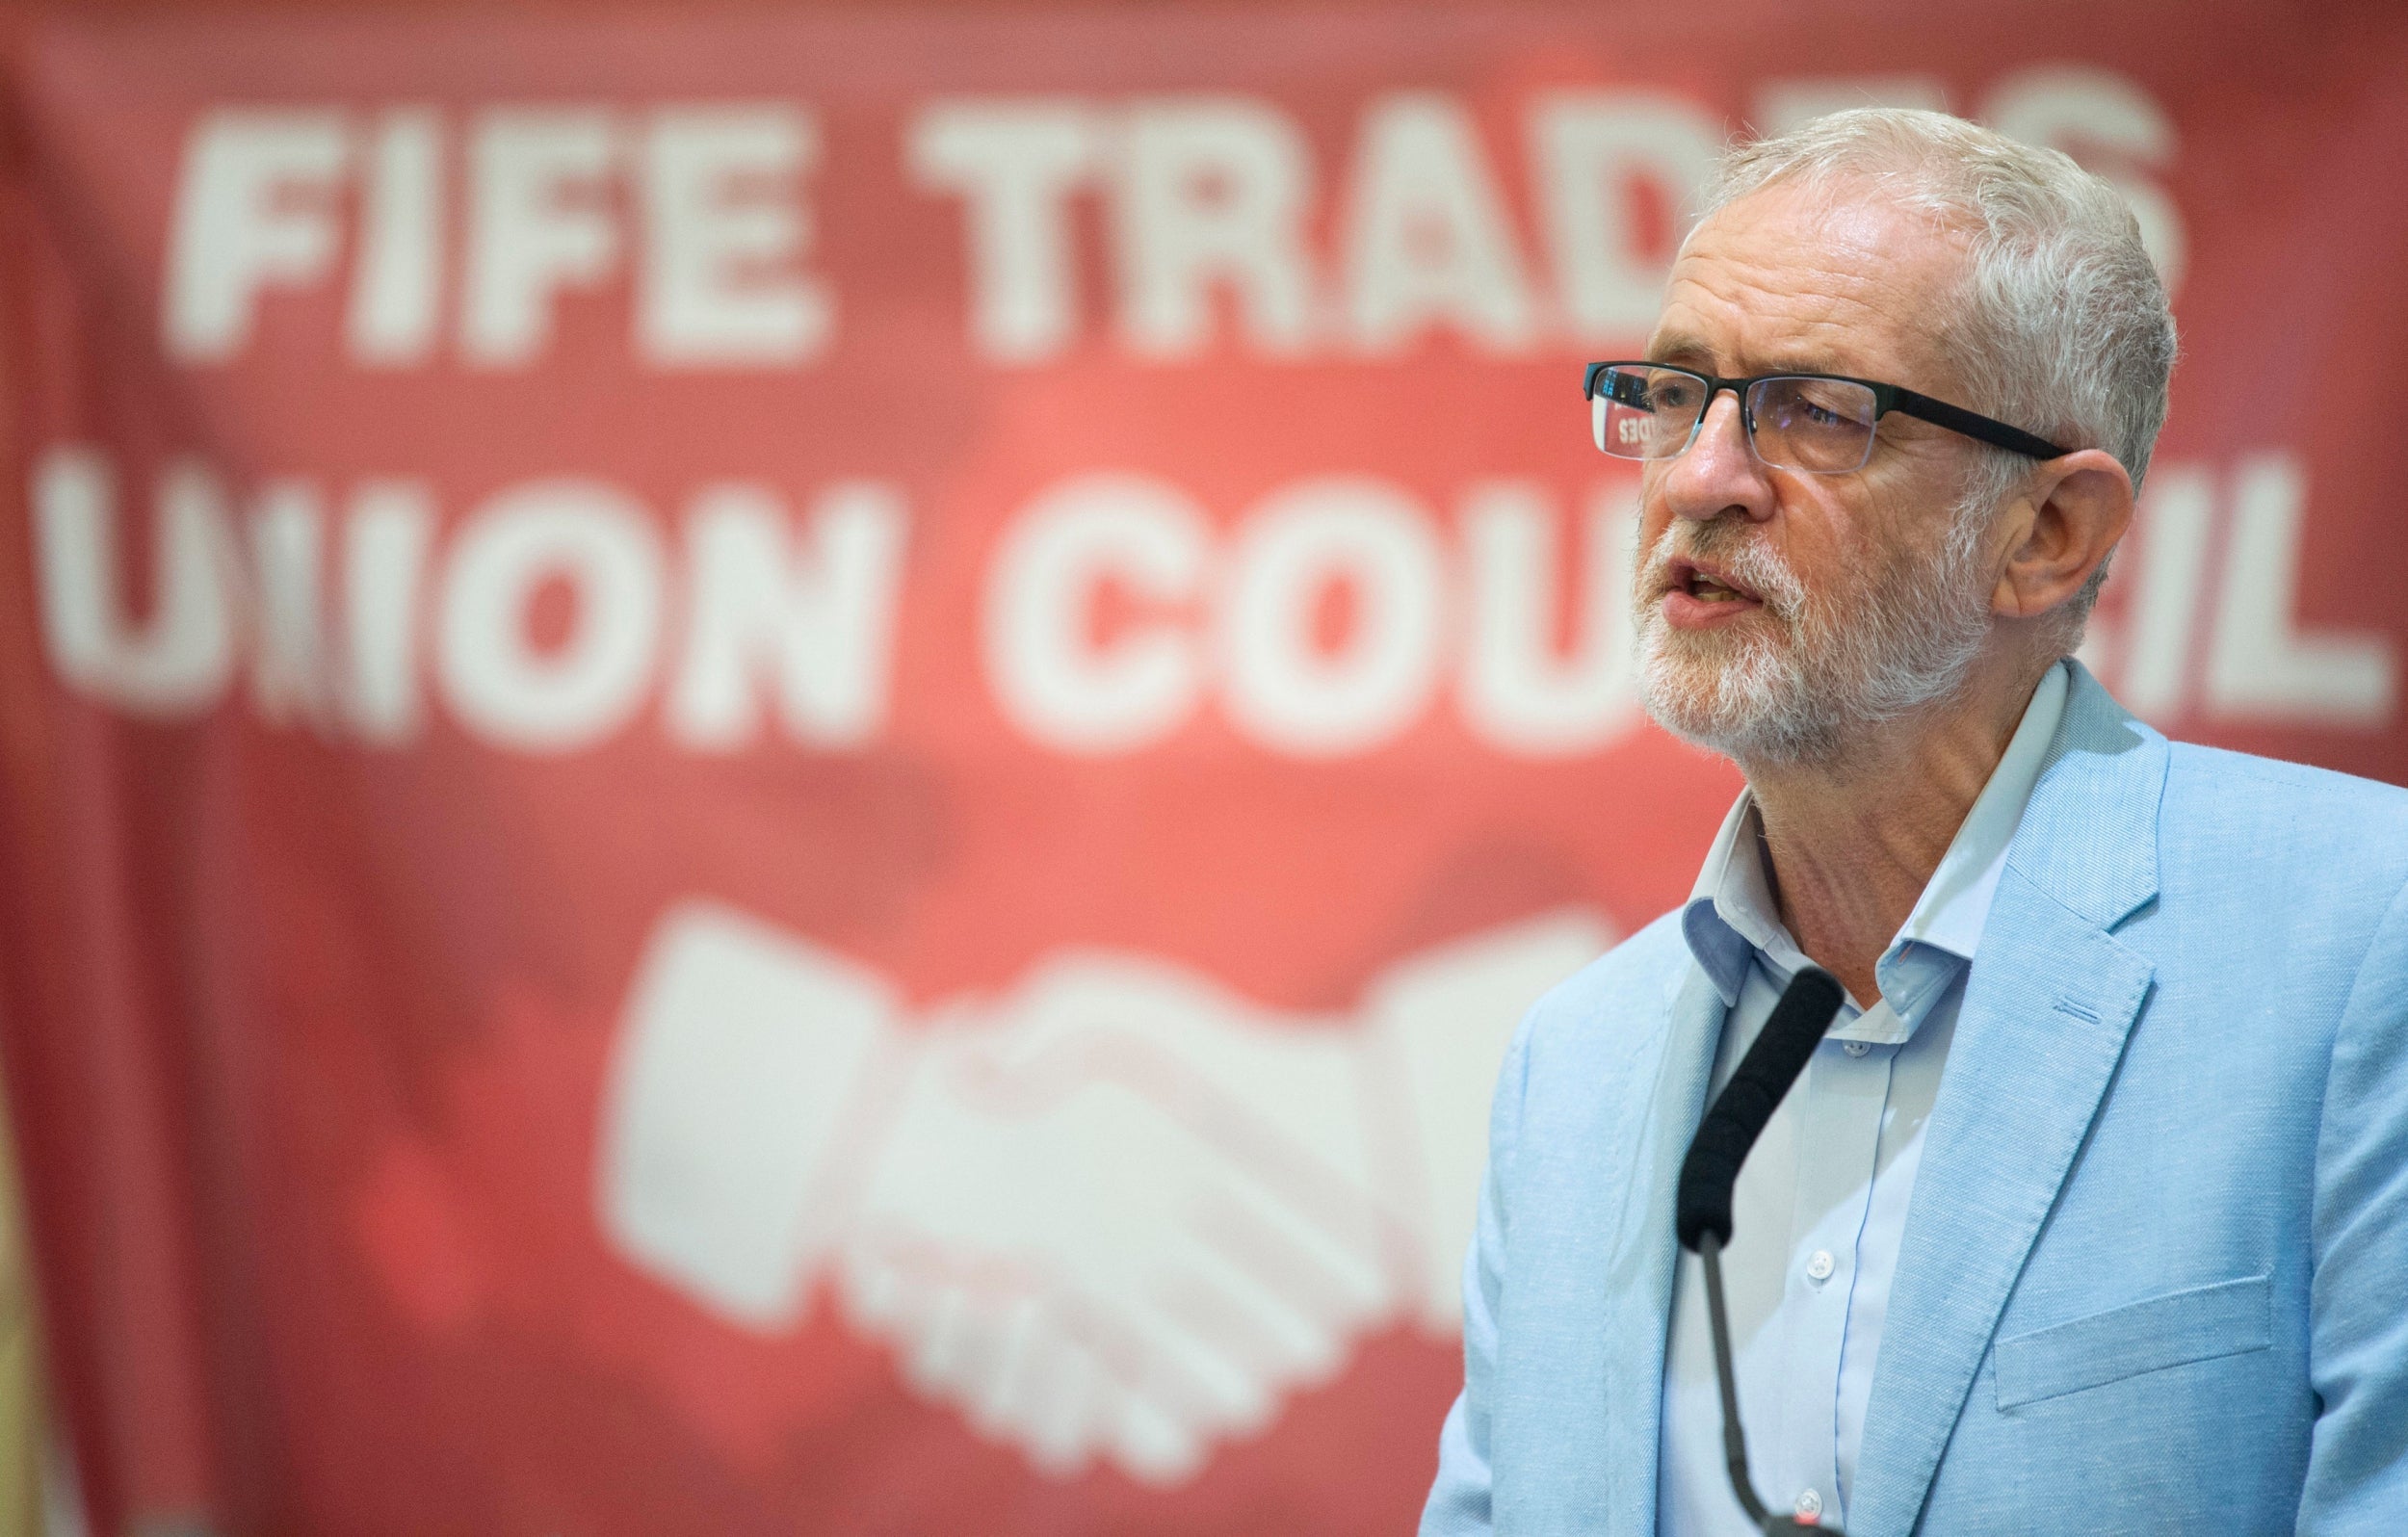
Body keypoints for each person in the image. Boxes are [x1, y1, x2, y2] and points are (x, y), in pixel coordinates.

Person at [1421, 107, 2408, 1536]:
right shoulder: (1573, 1071)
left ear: (2048, 534)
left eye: (1815, 411)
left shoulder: (2363, 943)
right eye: (1674, 393)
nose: (1701, 478)